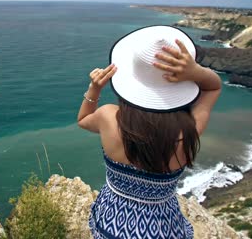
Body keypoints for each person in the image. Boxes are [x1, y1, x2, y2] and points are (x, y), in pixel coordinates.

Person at [77, 26, 222, 239]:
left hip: (110, 224)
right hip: (164, 228)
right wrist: (197, 72)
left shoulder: (108, 117)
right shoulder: (188, 130)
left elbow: (82, 120)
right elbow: (213, 87)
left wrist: (94, 89)